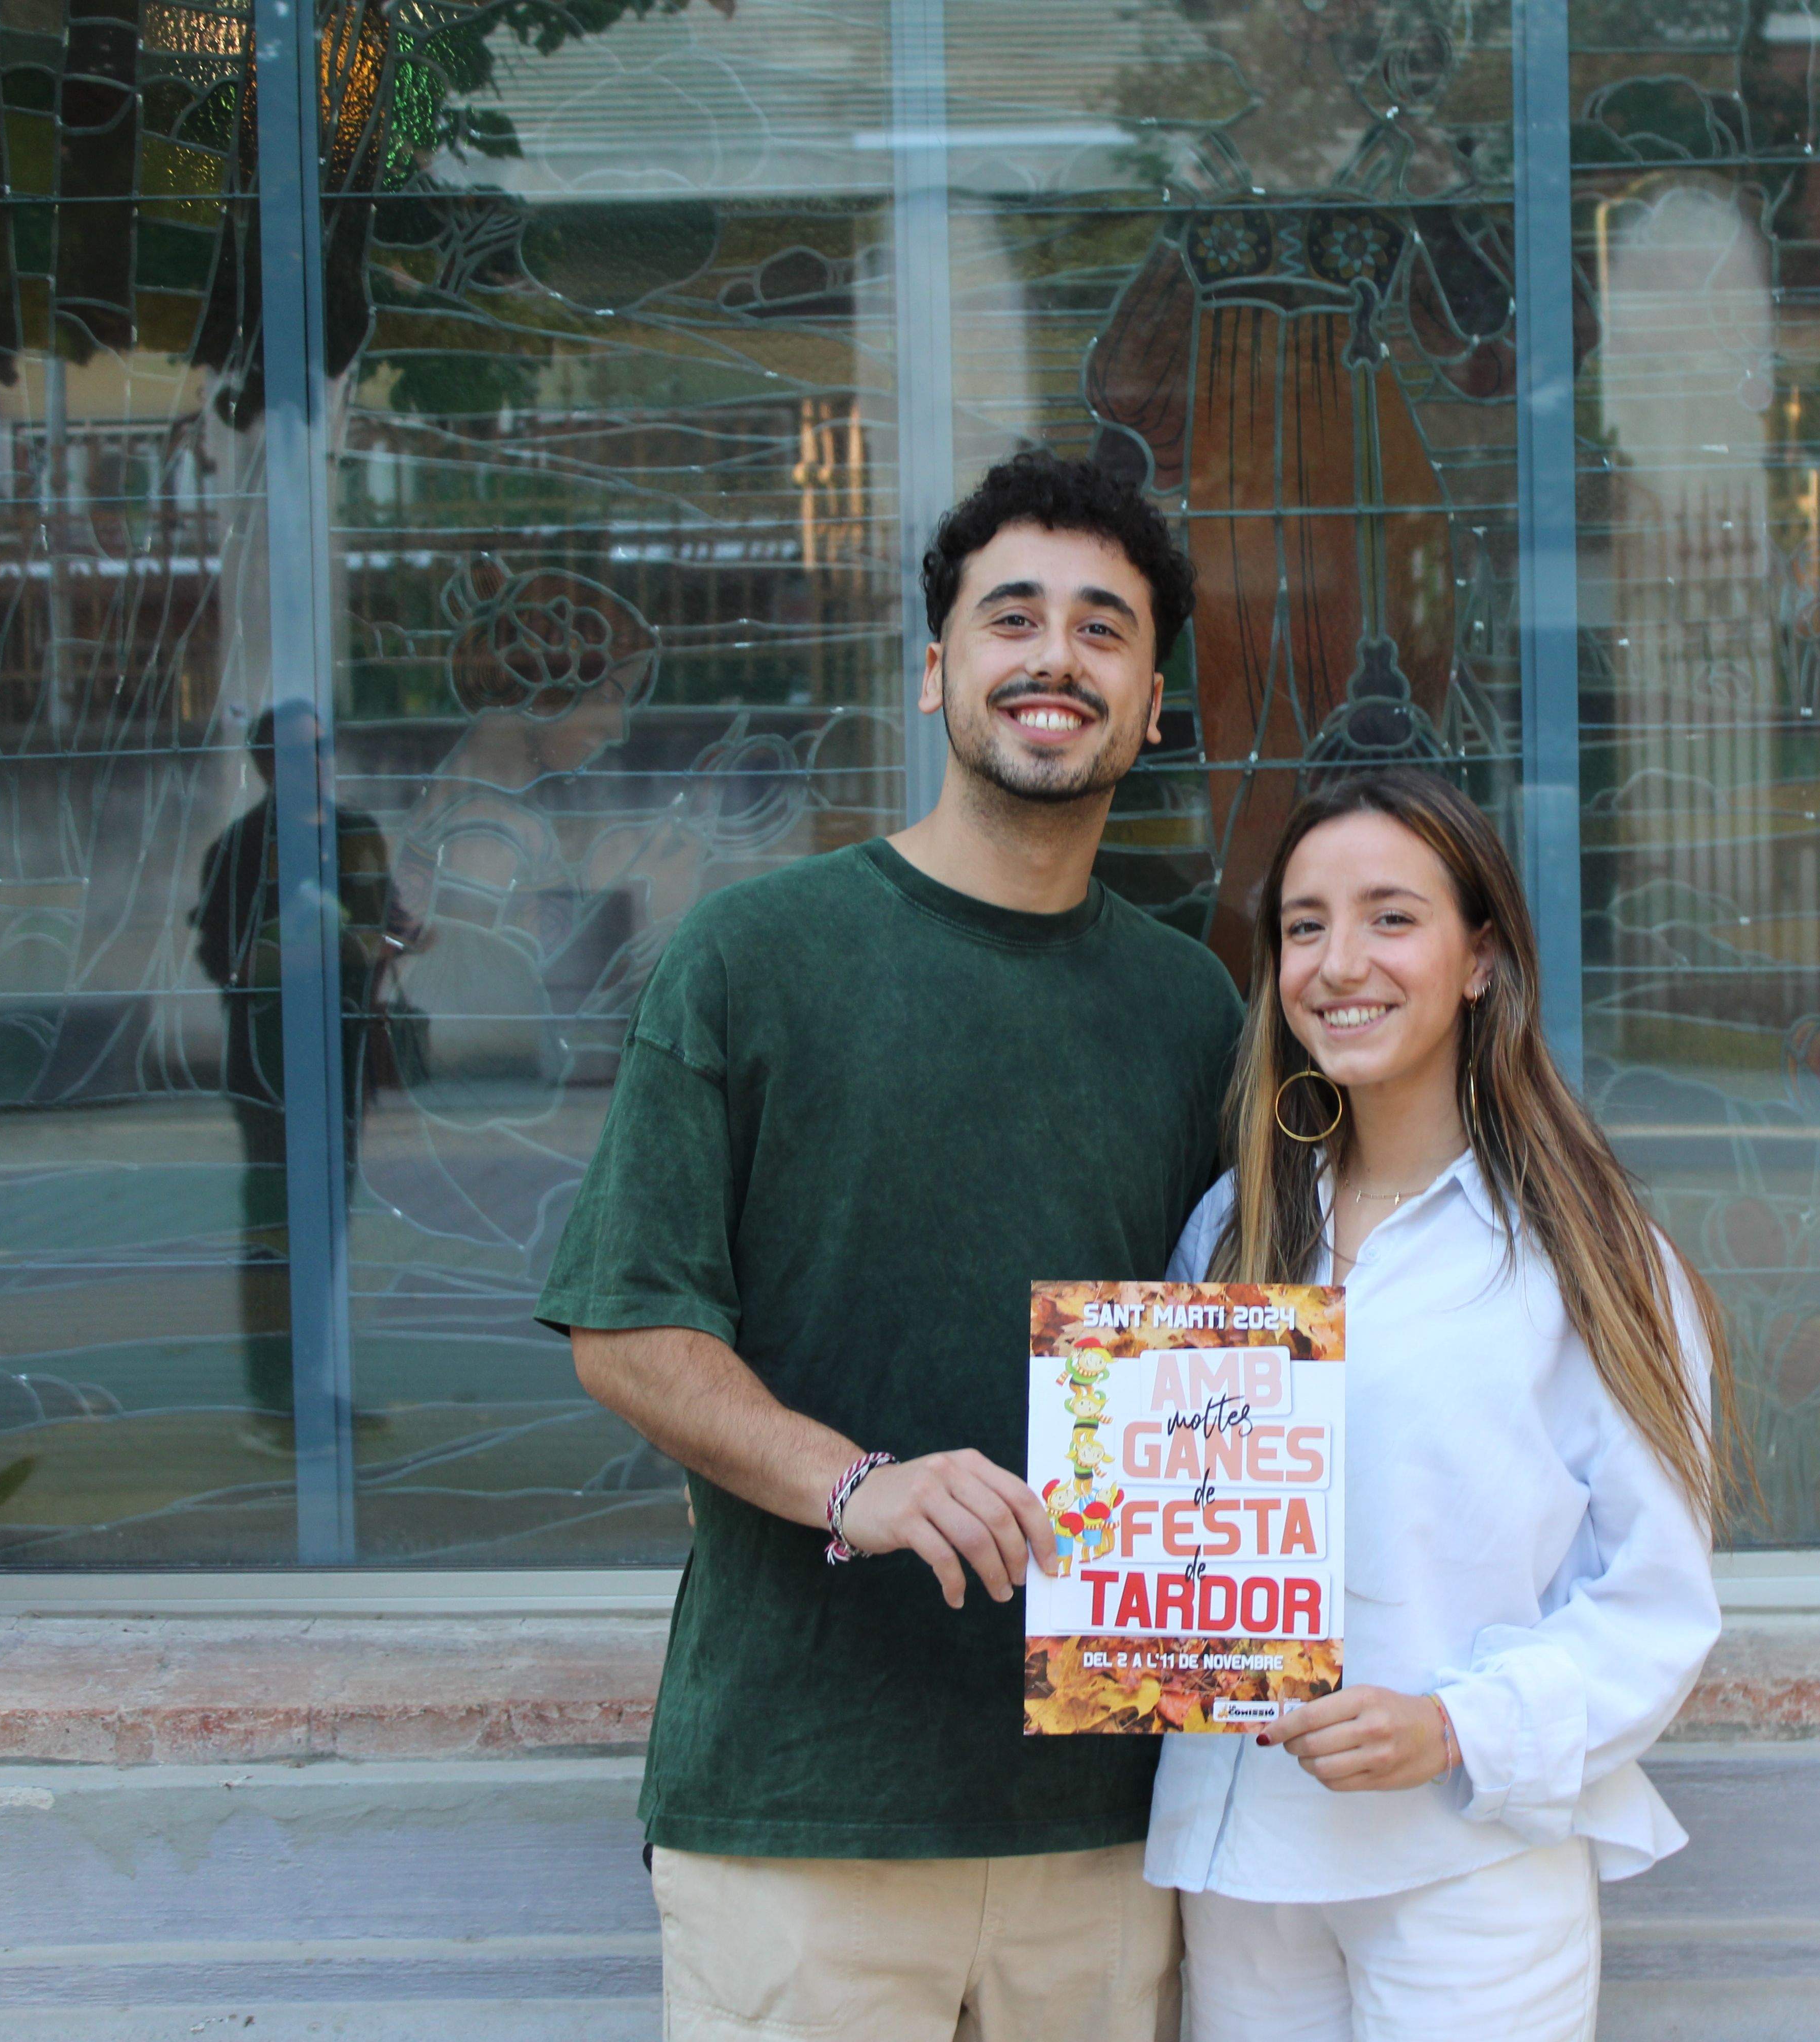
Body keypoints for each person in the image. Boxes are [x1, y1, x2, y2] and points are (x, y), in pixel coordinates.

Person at [539, 451, 1240, 2042]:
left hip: (1107, 1825)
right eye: (1013, 619)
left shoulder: (1193, 1010)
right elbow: (629, 1327)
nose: (1054, 656)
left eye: (1104, 630)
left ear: (1149, 705)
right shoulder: (754, 958)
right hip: (804, 1813)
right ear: (938, 676)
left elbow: (1235, 1369)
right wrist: (862, 1486)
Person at [1148, 766, 1733, 2042]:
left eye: (1391, 916)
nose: (1338, 961)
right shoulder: (1233, 1231)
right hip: (1247, 1856)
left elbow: (1656, 1601)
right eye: (1304, 924)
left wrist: (1449, 1724)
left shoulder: (1585, 1251)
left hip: (1467, 1867)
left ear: (1481, 957)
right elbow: (1183, 1537)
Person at [190, 703, 418, 1437]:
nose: (315, 766)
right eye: (297, 755)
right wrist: (306, 953)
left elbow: (391, 922)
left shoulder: (355, 833)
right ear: (265, 766)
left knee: (325, 1232)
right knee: (276, 1233)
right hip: (271, 1069)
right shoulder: (243, 846)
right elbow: (222, 961)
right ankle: (276, 1395)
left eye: (323, 750)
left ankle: (317, 1389)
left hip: (344, 1057)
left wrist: (392, 940)